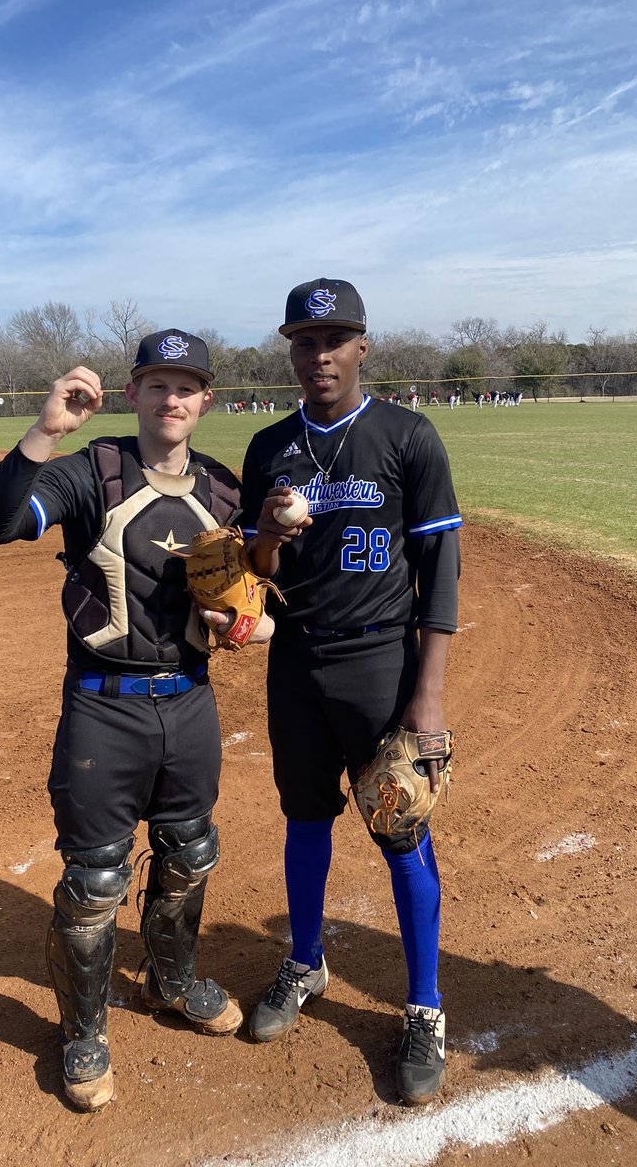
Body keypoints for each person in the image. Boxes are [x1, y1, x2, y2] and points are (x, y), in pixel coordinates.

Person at [0, 330, 251, 1113]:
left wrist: (252, 621)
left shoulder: (224, 491)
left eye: (186, 387)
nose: (171, 399)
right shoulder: (92, 473)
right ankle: (84, 1033)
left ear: (206, 400)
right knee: (94, 880)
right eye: (157, 384)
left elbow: (255, 591)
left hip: (190, 700)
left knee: (190, 850)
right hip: (102, 705)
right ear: (135, 394)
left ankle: (171, 979)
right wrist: (46, 430)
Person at [238, 279, 462, 1106]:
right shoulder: (269, 446)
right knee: (304, 818)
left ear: (363, 345)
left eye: (334, 340)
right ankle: (305, 962)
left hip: (380, 664)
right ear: (291, 352)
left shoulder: (407, 435)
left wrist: (427, 698)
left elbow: (441, 571)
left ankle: (425, 1006)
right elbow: (257, 567)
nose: (319, 355)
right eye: (304, 341)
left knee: (400, 828)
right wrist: (267, 533)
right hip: (296, 662)